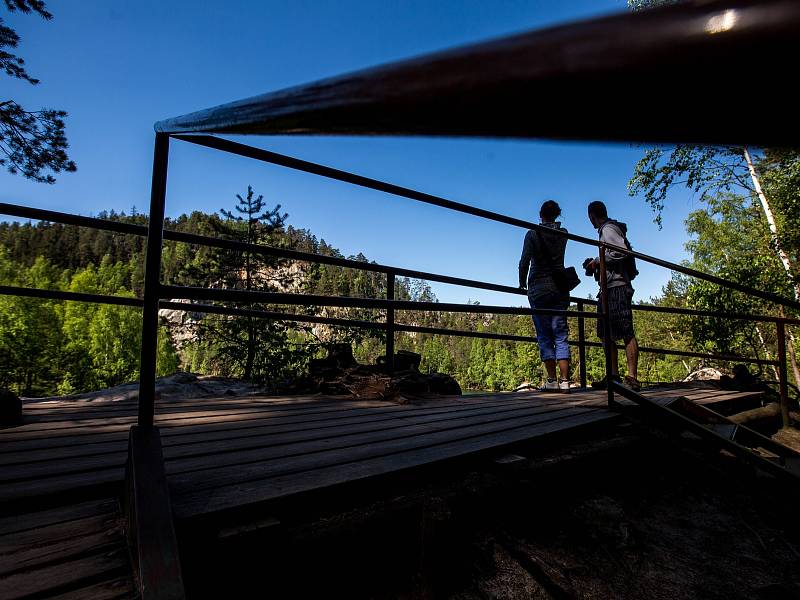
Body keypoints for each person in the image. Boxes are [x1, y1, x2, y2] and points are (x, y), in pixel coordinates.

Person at [585, 200, 640, 391]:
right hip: (608, 288)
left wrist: (597, 261)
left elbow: (621, 251)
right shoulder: (609, 229)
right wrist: (596, 264)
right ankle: (613, 376)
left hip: (616, 287)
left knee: (625, 331)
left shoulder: (608, 229)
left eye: (589, 217)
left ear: (592, 215)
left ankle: (631, 377)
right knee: (605, 333)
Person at [519, 200, 571, 393]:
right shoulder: (563, 234)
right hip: (559, 287)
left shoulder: (532, 234)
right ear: (557, 214)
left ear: (540, 214)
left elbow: (524, 261)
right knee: (560, 334)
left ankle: (551, 380)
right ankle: (565, 381)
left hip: (538, 288)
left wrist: (521, 282)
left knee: (544, 334)